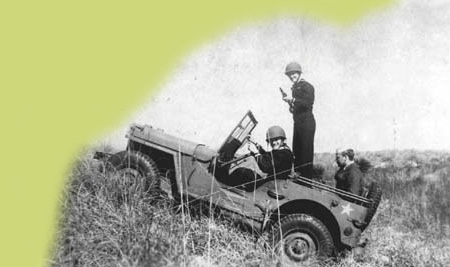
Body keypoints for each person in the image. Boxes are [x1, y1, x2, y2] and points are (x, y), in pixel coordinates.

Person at [215, 126, 293, 191]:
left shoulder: (285, 154)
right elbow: (268, 156)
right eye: (271, 140)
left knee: (242, 172)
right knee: (246, 168)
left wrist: (255, 156)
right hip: (268, 181)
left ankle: (222, 180)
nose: (273, 142)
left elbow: (267, 165)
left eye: (276, 140)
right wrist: (255, 144)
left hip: (268, 184)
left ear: (283, 140)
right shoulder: (282, 151)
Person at [282, 62, 316, 179]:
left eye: (293, 74)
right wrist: (291, 104)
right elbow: (297, 107)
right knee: (297, 151)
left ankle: (306, 181)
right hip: (298, 123)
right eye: (290, 75)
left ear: (299, 73)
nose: (292, 77)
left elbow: (307, 103)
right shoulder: (295, 87)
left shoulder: (307, 86)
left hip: (306, 123)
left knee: (305, 153)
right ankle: (298, 178)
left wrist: (293, 100)